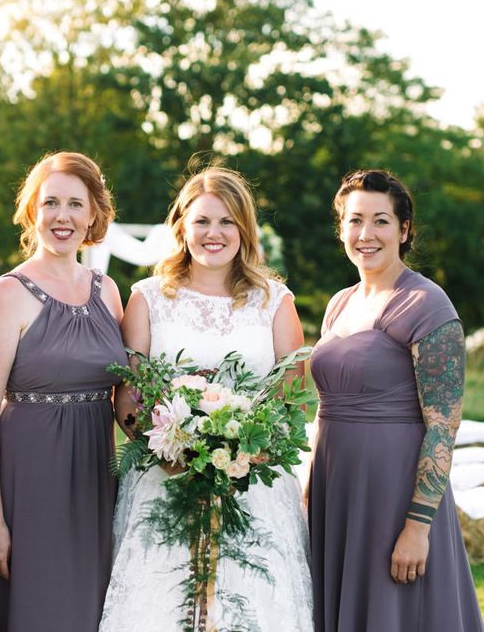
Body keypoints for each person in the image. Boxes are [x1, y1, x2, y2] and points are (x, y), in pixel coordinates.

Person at [100, 166, 314, 631]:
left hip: (254, 483)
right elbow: (128, 395)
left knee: (251, 603)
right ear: (181, 227)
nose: (213, 234)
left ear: (244, 229)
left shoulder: (275, 301)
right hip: (163, 477)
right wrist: (173, 451)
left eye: (226, 222)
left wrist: (248, 454)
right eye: (201, 221)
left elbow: (292, 394)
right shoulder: (148, 298)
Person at [308, 169, 484, 631]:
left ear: (404, 230)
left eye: (381, 221)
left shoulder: (428, 305)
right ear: (342, 229)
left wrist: (418, 526)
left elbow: (443, 426)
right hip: (337, 488)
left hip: (392, 493)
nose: (366, 234)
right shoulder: (339, 303)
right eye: (355, 220)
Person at [0, 152, 127, 631]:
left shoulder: (109, 291)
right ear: (32, 211)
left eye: (76, 204)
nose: (63, 216)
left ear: (94, 214)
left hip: (95, 478)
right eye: (51, 203)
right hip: (29, 481)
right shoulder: (8, 292)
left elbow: (128, 398)